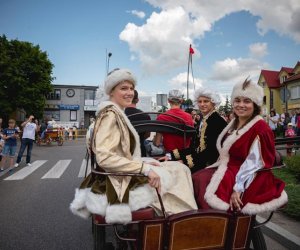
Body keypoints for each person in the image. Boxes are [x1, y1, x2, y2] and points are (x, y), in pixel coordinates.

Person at [70, 68, 197, 224]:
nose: (129, 92)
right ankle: (181, 221)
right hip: (118, 180)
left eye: (131, 88)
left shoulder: (116, 113)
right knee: (180, 171)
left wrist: (144, 162)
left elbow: (120, 153)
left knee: (180, 168)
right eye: (123, 88)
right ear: (111, 92)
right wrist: (145, 169)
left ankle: (182, 219)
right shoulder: (110, 115)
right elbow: (105, 158)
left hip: (122, 173)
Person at [192, 79, 287, 214]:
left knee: (202, 180)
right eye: (237, 101)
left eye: (247, 101)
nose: (241, 105)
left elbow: (255, 163)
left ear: (255, 105)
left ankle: (217, 226)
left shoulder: (261, 128)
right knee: (197, 178)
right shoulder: (235, 122)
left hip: (247, 175)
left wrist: (238, 188)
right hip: (229, 168)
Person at [163, 88, 227, 174]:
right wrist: (171, 155)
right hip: (200, 162)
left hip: (210, 167)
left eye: (206, 101)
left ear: (213, 102)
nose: (202, 104)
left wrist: (184, 162)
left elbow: (211, 152)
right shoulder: (205, 119)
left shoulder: (217, 121)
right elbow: (194, 147)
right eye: (200, 101)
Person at [125, 90, 151, 157]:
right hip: (140, 152)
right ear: (137, 100)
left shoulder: (119, 115)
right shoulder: (146, 116)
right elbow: (147, 135)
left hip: (123, 153)